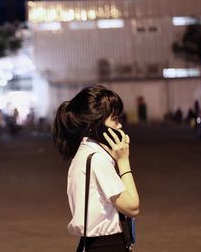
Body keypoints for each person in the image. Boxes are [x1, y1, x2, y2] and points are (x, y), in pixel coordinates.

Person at [52, 85, 140, 252]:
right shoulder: (97, 159)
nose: (119, 126)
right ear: (97, 124)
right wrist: (123, 161)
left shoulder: (85, 153)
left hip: (92, 243)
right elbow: (132, 206)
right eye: (115, 119)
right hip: (106, 245)